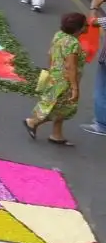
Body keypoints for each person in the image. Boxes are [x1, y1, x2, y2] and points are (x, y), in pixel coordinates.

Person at [27, 12, 90, 147]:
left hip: (55, 77)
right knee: (61, 107)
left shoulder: (59, 35)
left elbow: (50, 53)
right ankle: (32, 122)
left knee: (60, 106)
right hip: (65, 81)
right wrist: (74, 87)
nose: (88, 26)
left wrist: (51, 70)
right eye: (86, 24)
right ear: (80, 28)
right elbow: (70, 66)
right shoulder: (73, 44)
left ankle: (57, 135)